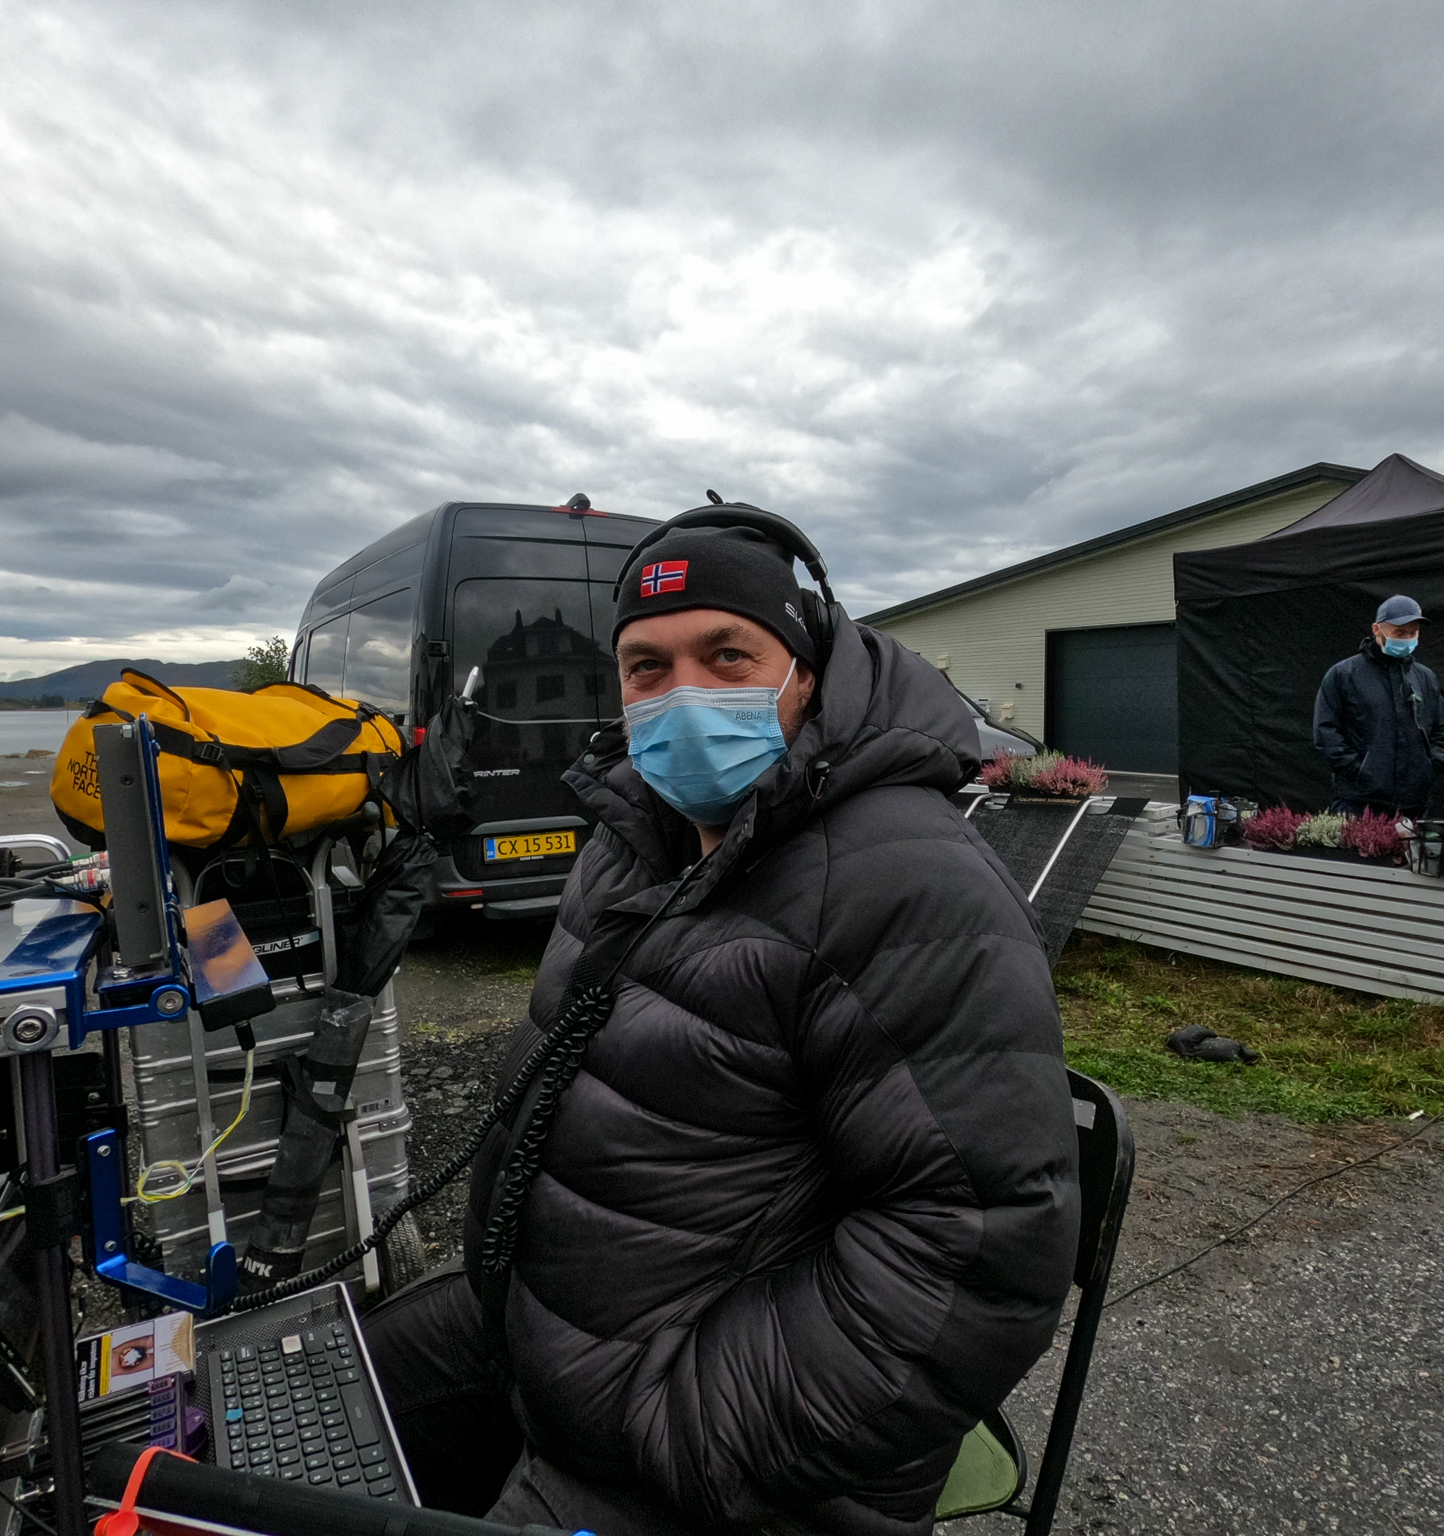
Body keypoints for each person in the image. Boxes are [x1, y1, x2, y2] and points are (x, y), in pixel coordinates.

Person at [362, 504, 1080, 1536]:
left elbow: (980, 1245)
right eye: (646, 667)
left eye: (727, 655)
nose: (684, 695)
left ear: (808, 671)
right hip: (555, 1328)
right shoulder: (633, 844)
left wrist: (680, 1425)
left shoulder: (908, 883)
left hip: (709, 1436)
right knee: (282, 1416)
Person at [1312, 594, 1444, 816]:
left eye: (1413, 633)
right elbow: (1325, 731)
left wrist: (1432, 765)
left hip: (1413, 801)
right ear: (1377, 629)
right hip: (1359, 801)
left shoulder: (1424, 677)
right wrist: (1358, 771)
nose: (1407, 639)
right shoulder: (1344, 674)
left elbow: (1443, 726)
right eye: (1400, 633)